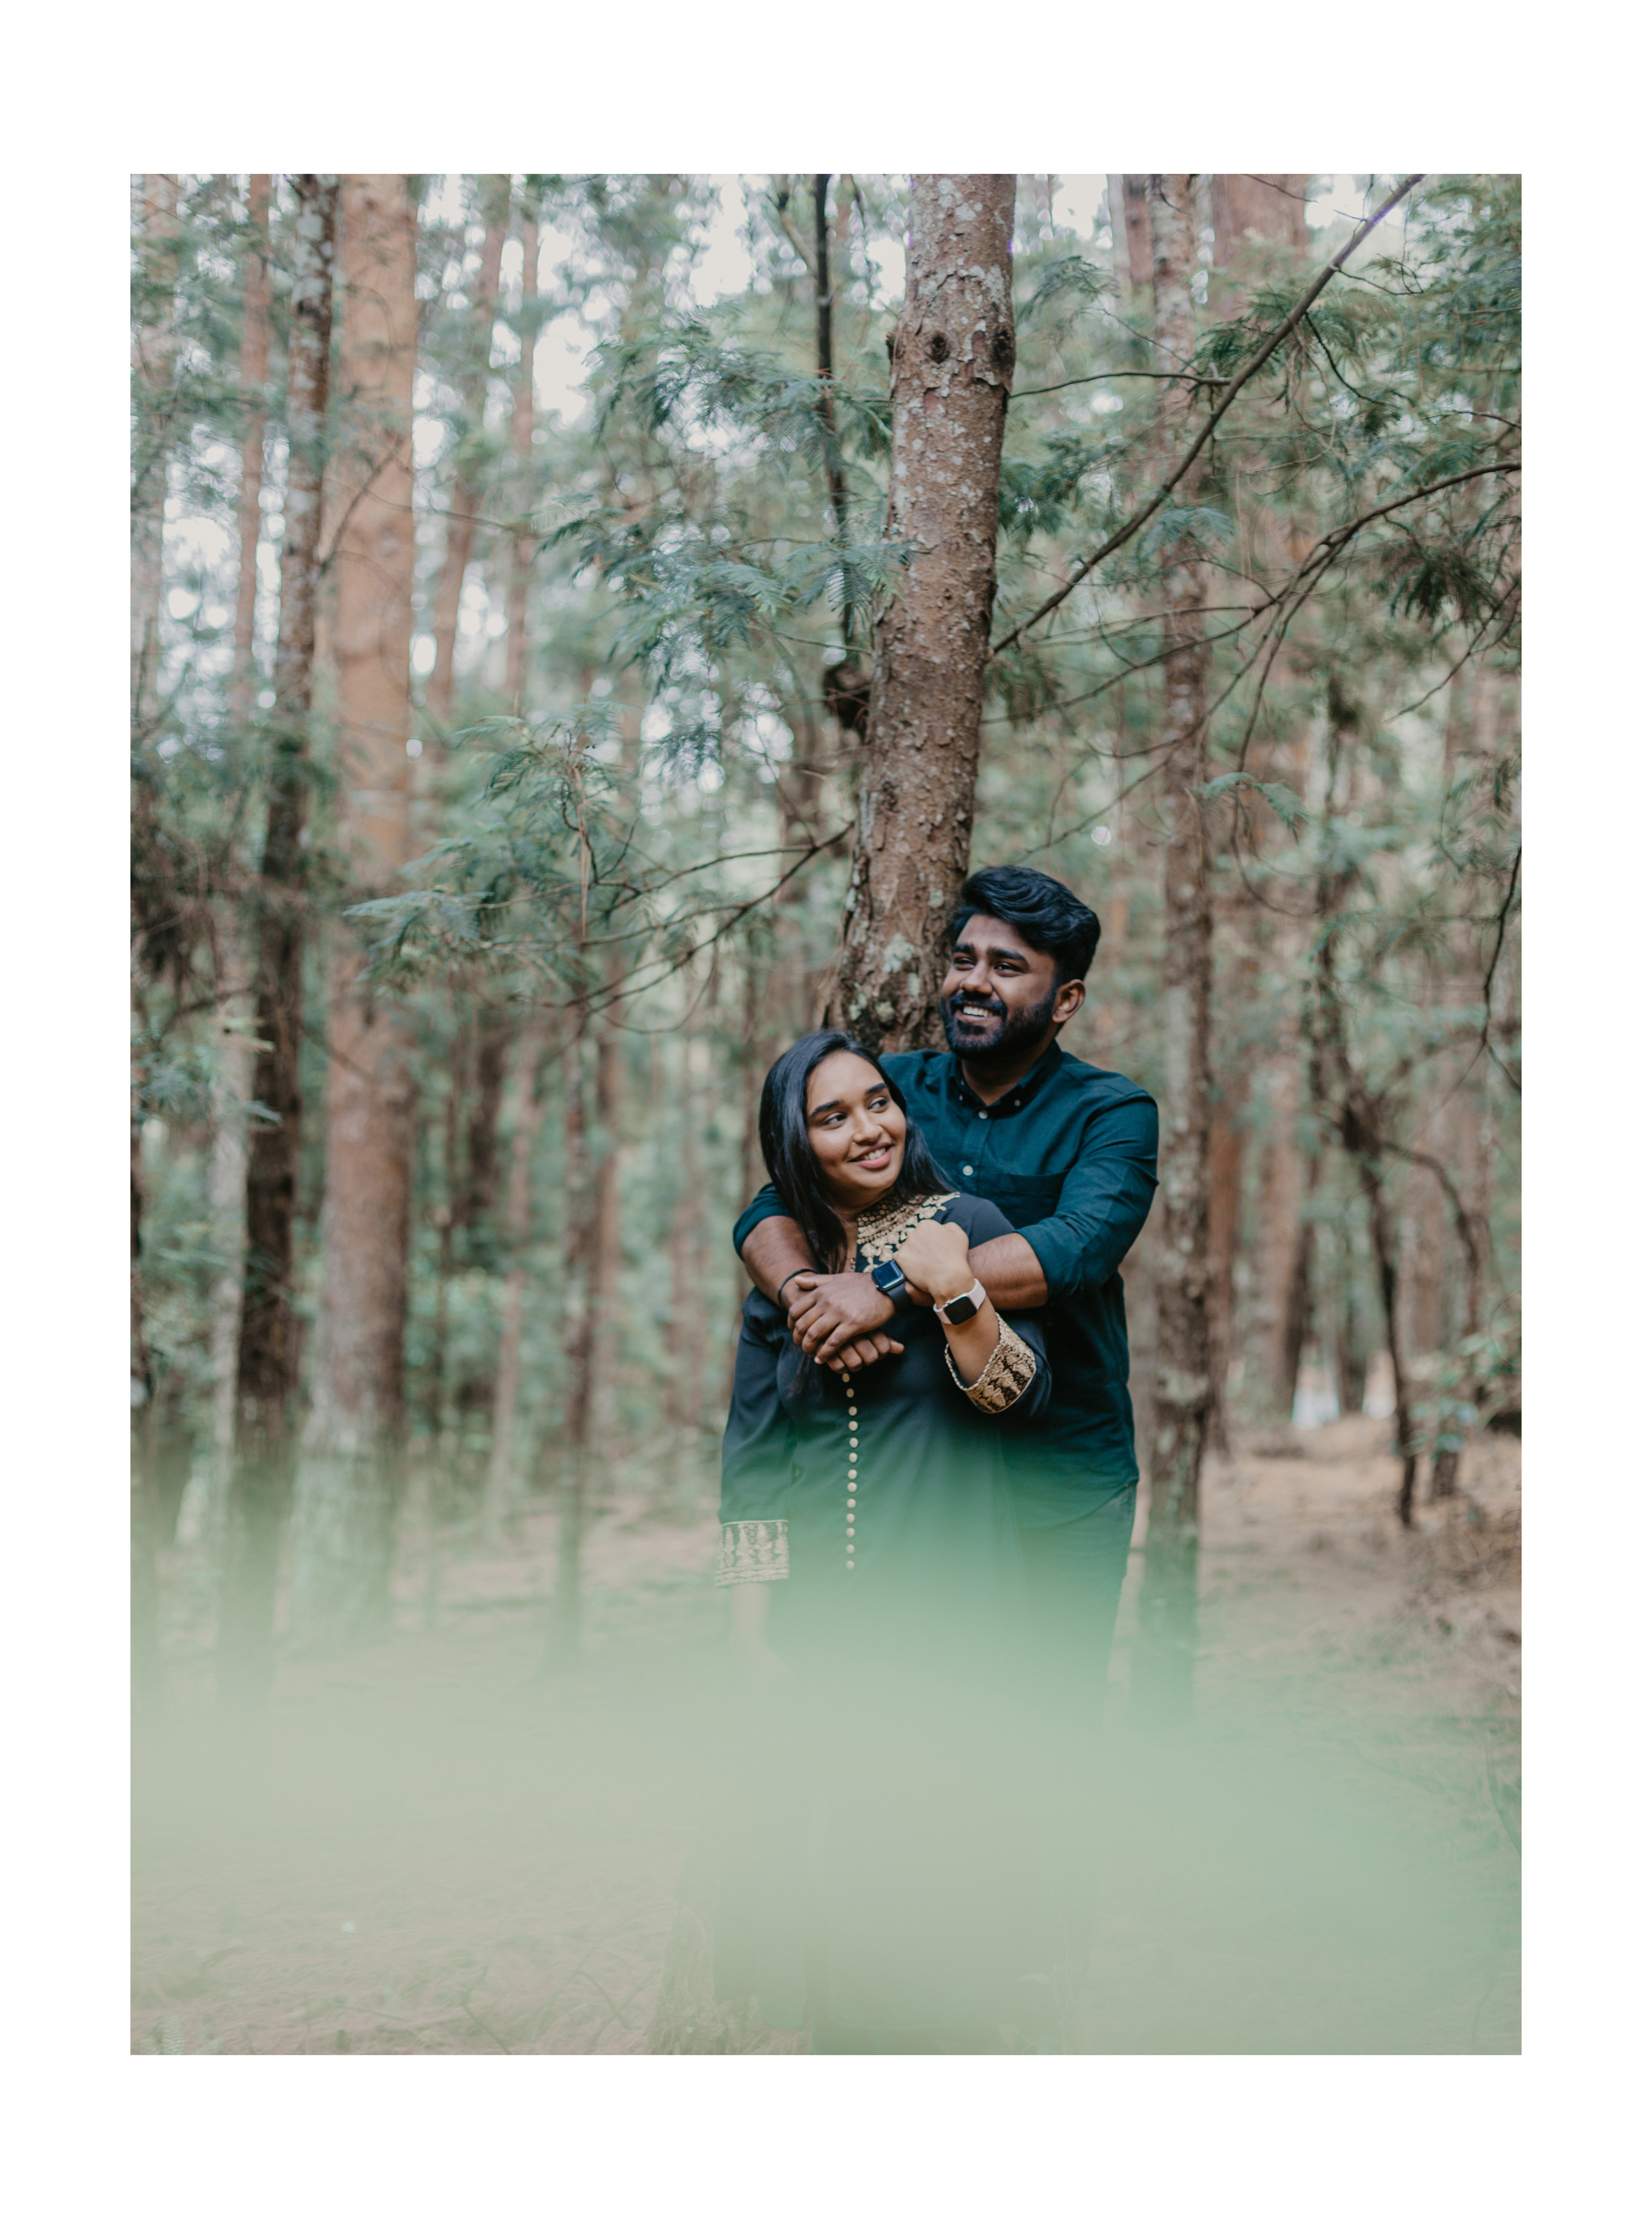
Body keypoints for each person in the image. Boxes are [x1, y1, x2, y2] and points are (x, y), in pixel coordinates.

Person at [734, 865, 1159, 1725]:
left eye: (1008, 966)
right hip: (924, 1479)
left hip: (1060, 1474)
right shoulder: (890, 1089)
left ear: (1066, 998)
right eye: (964, 958)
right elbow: (771, 1207)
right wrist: (809, 1301)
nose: (973, 980)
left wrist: (883, 1288)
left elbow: (1075, 1247)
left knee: (1045, 1728)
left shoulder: (1111, 1112)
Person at [714, 1029, 1053, 2051]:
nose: (869, 1128)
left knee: (948, 1892)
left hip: (958, 1614)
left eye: (878, 1101)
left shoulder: (968, 1227)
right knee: (840, 1911)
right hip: (822, 1634)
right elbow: (753, 1470)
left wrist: (953, 1288)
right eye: (833, 1116)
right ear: (797, 1142)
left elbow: (1021, 1397)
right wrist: (752, 1638)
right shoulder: (787, 1280)